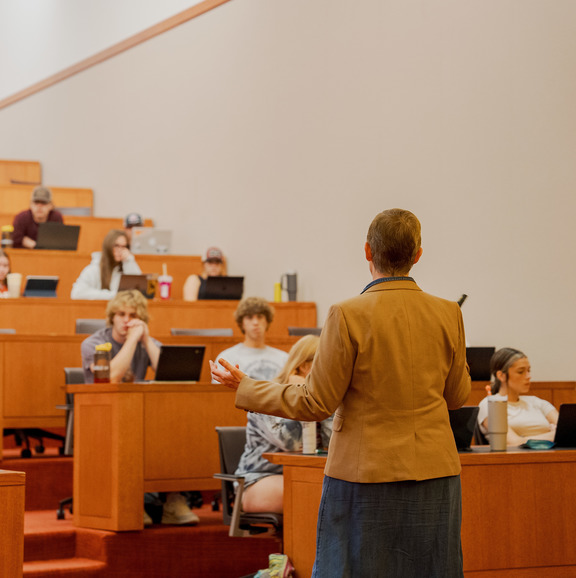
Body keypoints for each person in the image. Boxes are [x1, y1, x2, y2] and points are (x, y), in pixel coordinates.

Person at [211, 208, 471, 577]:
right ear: (417, 254)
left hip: (365, 474)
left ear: (367, 251)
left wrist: (246, 387)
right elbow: (457, 397)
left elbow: (316, 402)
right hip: (436, 471)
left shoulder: (346, 314)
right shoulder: (449, 313)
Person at [80, 290, 199, 525]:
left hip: (140, 413)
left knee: (176, 424)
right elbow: (111, 378)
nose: (126, 320)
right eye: (121, 314)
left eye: (132, 315)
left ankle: (173, 501)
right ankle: (132, 502)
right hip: (101, 416)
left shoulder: (147, 342)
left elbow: (171, 376)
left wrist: (145, 339)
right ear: (111, 317)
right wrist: (133, 340)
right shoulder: (93, 343)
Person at [236, 335, 333, 514]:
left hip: (305, 474)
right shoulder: (266, 395)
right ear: (305, 366)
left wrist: (322, 404)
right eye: (327, 363)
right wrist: (298, 397)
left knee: (336, 493)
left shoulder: (323, 398)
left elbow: (331, 444)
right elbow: (290, 443)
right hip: (258, 479)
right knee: (311, 493)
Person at [477, 347, 558, 446]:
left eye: (529, 370)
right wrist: (553, 435)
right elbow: (512, 442)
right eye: (521, 372)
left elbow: (567, 431)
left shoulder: (537, 402)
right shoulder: (490, 404)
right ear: (501, 375)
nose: (528, 376)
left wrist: (524, 439)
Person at [213, 296, 289, 382]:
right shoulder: (227, 358)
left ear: (267, 321)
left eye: (260, 317)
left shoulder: (284, 359)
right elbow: (220, 392)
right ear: (242, 323)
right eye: (249, 317)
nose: (255, 322)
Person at [71, 229, 141, 300]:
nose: (120, 250)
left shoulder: (127, 264)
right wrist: (113, 295)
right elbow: (77, 293)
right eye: (116, 246)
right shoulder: (94, 269)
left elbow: (139, 292)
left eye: (124, 247)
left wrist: (129, 261)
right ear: (108, 246)